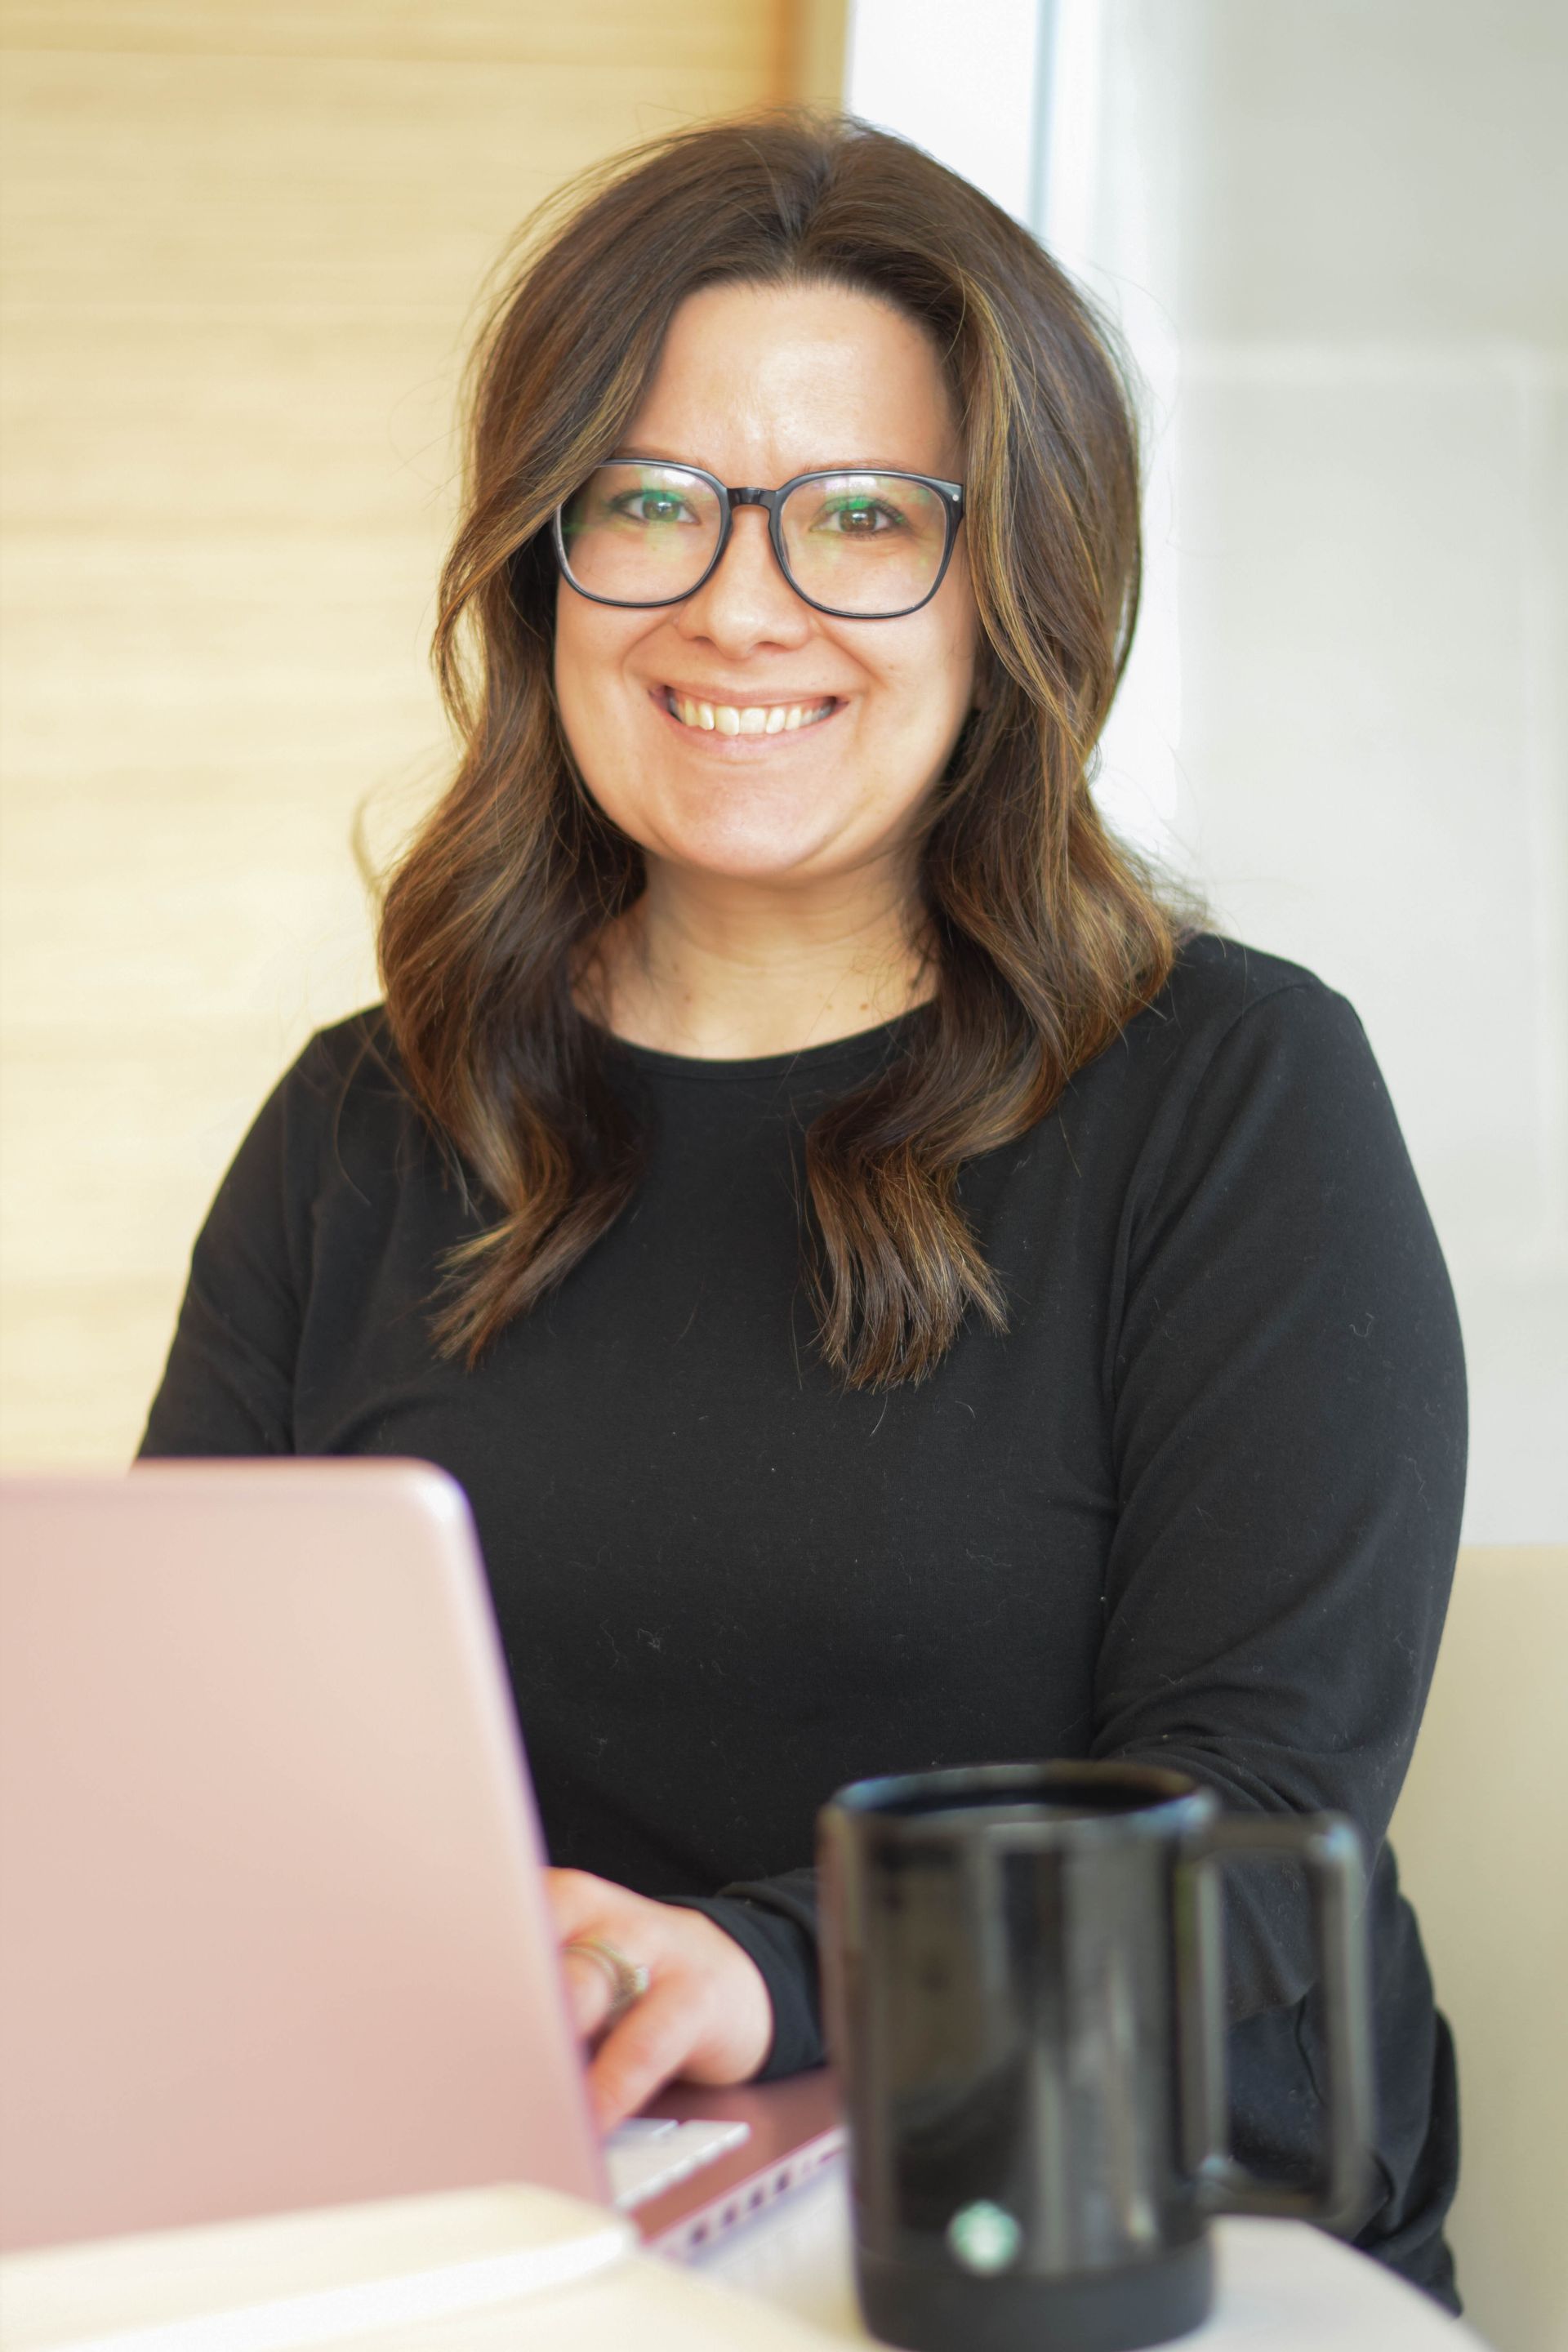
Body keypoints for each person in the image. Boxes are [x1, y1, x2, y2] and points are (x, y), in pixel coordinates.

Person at [139, 113, 1466, 2307]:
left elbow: (1258, 1838)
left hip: (1101, 2224)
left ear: (1009, 585)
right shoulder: (362, 1125)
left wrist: (760, 1974)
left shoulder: (1235, 1092)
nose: (737, 599)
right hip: (537, 2208)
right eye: (648, 502)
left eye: (865, 517)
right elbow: (188, 1774)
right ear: (544, 566)